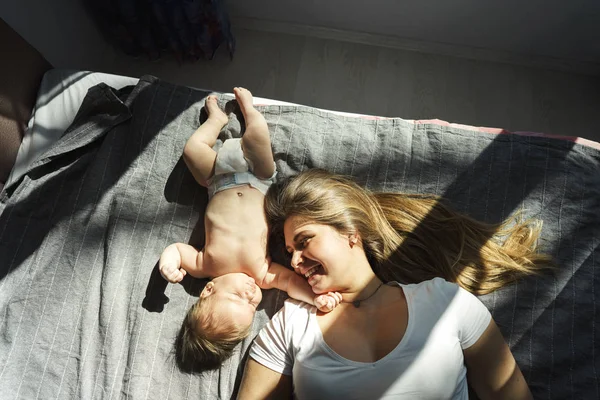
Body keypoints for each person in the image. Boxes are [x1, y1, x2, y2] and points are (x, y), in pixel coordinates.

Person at [238, 169, 553, 399]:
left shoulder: (445, 302)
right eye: (290, 252)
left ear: (351, 232)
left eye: (305, 242)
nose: (294, 262)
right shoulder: (290, 325)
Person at [159, 89, 341, 372]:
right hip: (259, 179)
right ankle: (250, 113)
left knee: (193, 151)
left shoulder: (205, 265)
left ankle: (217, 120)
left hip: (215, 181)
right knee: (258, 140)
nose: (250, 294)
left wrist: (168, 265)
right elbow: (292, 284)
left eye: (236, 297)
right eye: (251, 306)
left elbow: (176, 251)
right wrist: (315, 298)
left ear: (209, 289)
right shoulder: (262, 275)